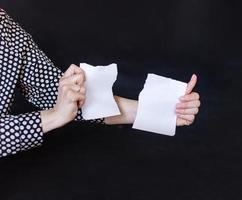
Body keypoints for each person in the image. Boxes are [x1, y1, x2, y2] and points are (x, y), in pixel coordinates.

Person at [0, 8, 201, 158]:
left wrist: (162, 110)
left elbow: (53, 92)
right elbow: (58, 111)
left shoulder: (4, 28)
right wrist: (53, 117)